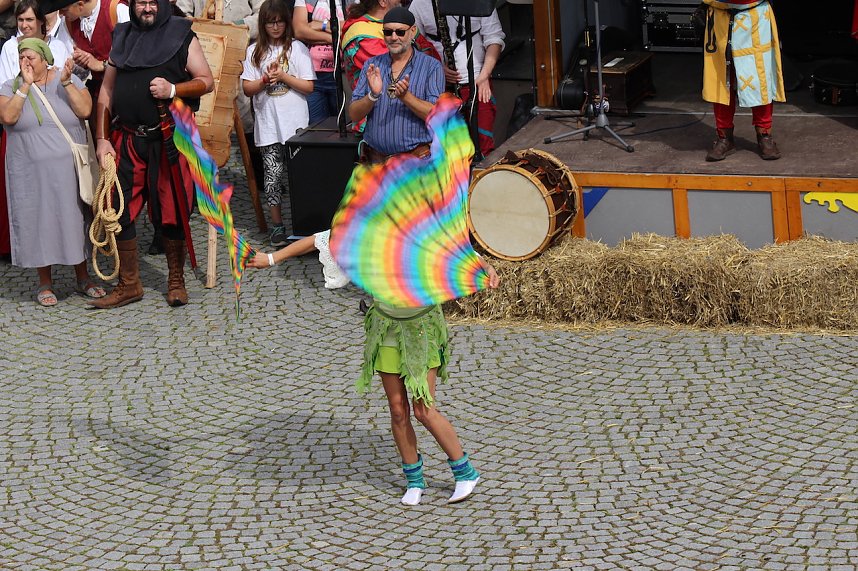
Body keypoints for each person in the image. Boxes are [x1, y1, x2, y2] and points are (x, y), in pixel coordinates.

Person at [347, 6, 487, 506]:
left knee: (415, 250)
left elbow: (442, 118)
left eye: (398, 32)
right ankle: (415, 478)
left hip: (416, 168)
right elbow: (353, 116)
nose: (390, 37)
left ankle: (462, 469)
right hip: (379, 167)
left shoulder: (429, 66)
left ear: (412, 33)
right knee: (397, 407)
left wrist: (407, 97)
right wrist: (373, 95)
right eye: (385, 31)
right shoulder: (372, 66)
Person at [91, 0, 214, 309]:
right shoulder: (122, 35)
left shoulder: (182, 34)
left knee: (172, 210)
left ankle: (176, 281)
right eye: (140, 3)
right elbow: (107, 91)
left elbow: (206, 81)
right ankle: (130, 283)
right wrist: (102, 139)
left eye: (151, 2)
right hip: (128, 139)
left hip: (168, 141)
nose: (146, 8)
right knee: (118, 208)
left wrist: (173, 90)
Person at [0, 38, 105, 306]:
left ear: (45, 59)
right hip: (30, 174)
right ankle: (45, 282)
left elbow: (85, 110)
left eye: (31, 57)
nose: (25, 62)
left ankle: (83, 278)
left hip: (69, 172)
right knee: (39, 221)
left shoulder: (66, 79)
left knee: (74, 220)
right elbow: (8, 117)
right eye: (21, 57)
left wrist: (68, 83)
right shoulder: (10, 87)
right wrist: (25, 86)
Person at [241, 0, 314, 247]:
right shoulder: (254, 52)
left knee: (299, 177)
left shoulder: (298, 49)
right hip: (268, 126)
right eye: (270, 22)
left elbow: (309, 86)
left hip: (296, 126)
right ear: (263, 25)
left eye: (279, 21)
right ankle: (277, 225)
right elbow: (247, 88)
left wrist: (283, 76)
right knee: (272, 178)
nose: (275, 27)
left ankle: (304, 223)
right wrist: (264, 80)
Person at [409, 0, 504, 157]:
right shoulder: (419, 3)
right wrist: (436, 68)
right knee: (449, 151)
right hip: (439, 87)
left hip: (477, 82)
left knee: (483, 144)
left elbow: (494, 38)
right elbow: (413, 45)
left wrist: (484, 75)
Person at [701, 0, 784, 161]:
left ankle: (764, 135)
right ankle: (724, 137)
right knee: (722, 80)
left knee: (760, 78)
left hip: (755, 12)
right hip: (720, 13)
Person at [291, 0, 357, 124]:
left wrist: (321, 25)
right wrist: (333, 37)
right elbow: (299, 30)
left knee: (348, 124)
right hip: (313, 76)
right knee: (316, 127)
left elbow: (354, 27)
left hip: (344, 74)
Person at [0, 0, 72, 84]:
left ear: (41, 20)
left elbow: (66, 79)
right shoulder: (10, 47)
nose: (24, 25)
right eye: (20, 20)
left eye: (29, 20)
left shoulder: (57, 46)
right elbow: (4, 84)